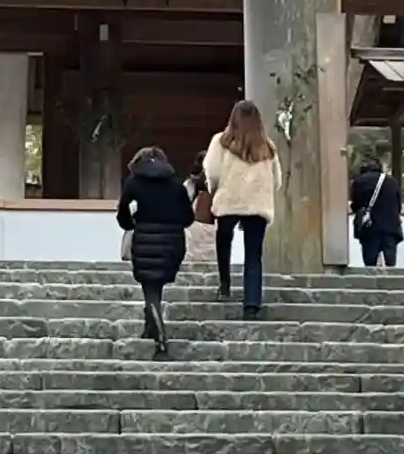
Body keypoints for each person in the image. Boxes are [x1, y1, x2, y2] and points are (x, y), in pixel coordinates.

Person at [202, 98, 282, 317]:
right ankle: (252, 304)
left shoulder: (221, 142)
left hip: (229, 200)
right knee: (253, 254)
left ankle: (225, 285)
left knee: (223, 240)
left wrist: (214, 188)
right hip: (257, 205)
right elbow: (277, 181)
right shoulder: (268, 147)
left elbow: (212, 172)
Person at [118, 146, 194, 357]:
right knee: (155, 285)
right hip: (172, 242)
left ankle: (160, 338)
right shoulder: (176, 185)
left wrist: (133, 223)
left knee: (149, 287)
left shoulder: (134, 183)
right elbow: (188, 217)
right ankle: (149, 327)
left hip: (145, 239)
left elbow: (122, 214)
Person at [350, 153, 404, 268]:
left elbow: (356, 205)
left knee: (370, 263)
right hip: (390, 228)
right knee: (390, 264)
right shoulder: (392, 182)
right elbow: (398, 206)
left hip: (369, 228)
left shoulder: (359, 182)